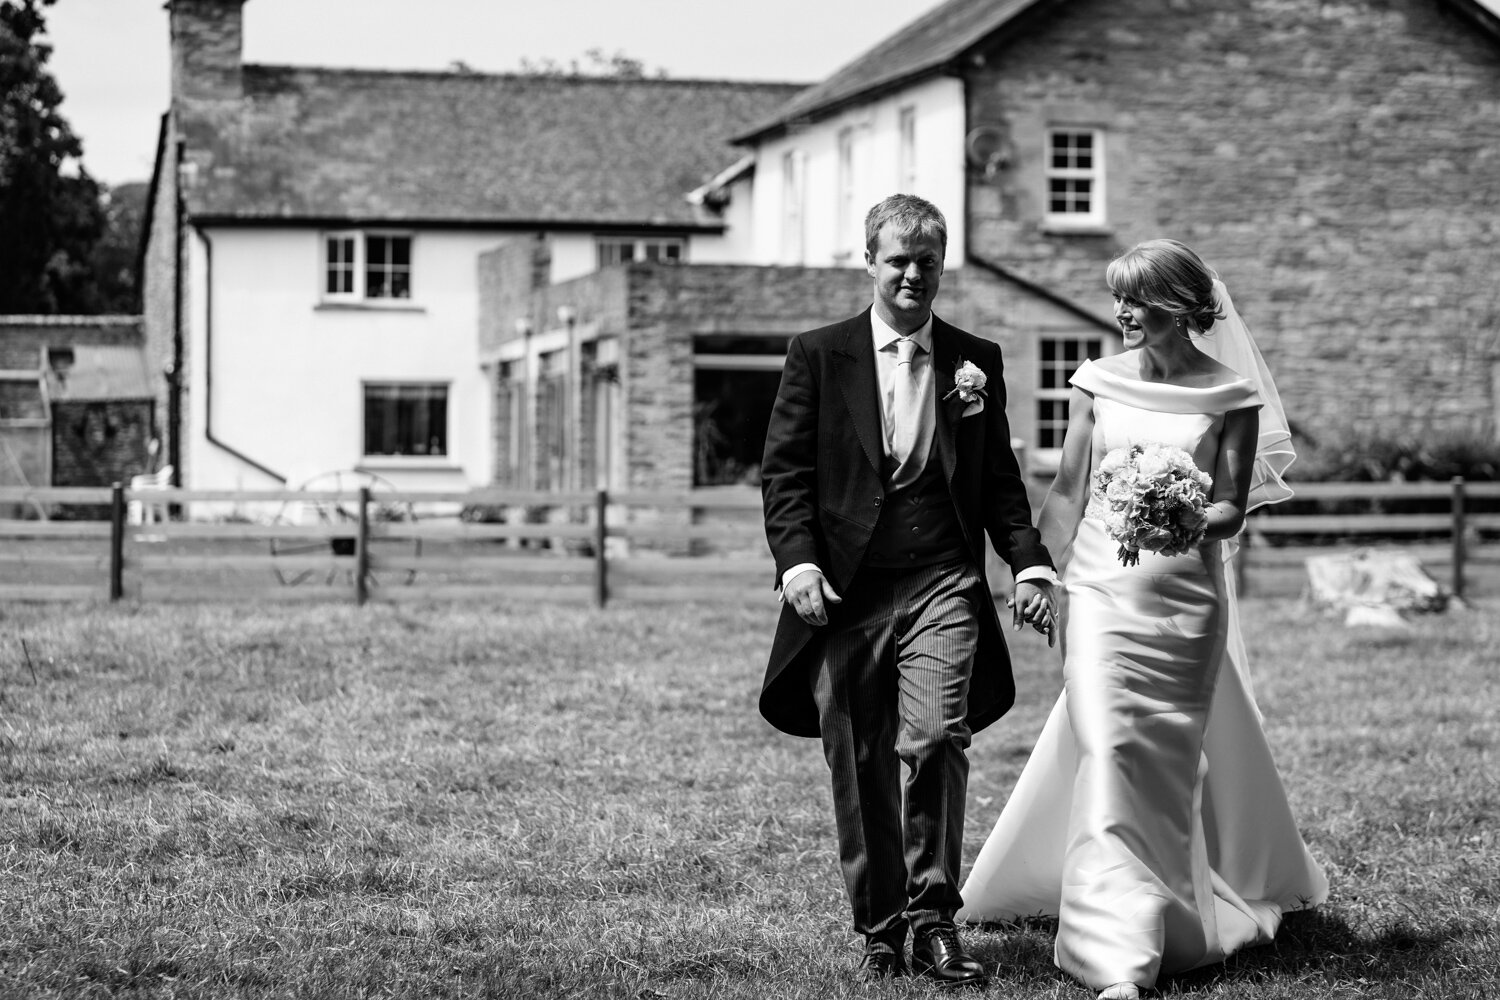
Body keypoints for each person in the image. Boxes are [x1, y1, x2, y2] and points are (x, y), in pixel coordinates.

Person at [956, 239, 1328, 999]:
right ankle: (1114, 952)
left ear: (1183, 307)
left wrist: (1187, 513)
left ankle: (1169, 911)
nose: (1122, 313)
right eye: (1117, 298)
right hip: (1099, 595)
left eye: (1137, 300)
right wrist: (1041, 573)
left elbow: (1229, 507)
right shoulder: (1096, 382)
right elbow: (1068, 488)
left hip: (1187, 602)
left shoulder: (1230, 396)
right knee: (1111, 745)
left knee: (1161, 763)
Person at [759, 193, 1059, 987]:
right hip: (847, 592)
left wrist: (1028, 563)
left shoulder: (975, 358)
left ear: (941, 265)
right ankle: (881, 930)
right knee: (858, 761)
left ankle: (934, 921)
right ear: (870, 261)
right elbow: (785, 475)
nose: (913, 275)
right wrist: (798, 564)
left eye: (927, 261)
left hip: (942, 582)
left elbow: (998, 479)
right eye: (898, 260)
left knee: (933, 741)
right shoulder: (819, 355)